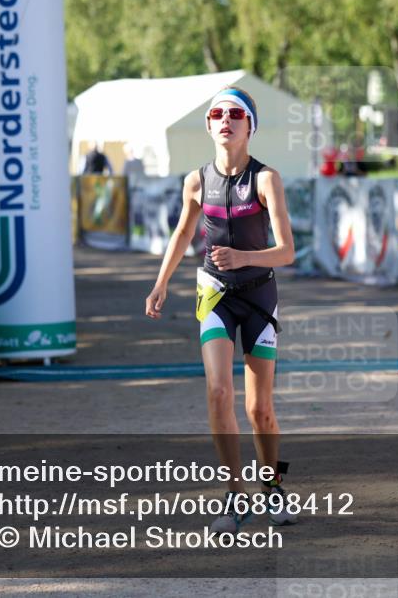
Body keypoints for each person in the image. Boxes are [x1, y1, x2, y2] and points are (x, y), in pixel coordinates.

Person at [145, 85, 297, 534]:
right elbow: (181, 234)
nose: (226, 120)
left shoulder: (266, 179)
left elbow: (287, 251)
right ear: (210, 125)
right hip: (213, 294)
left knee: (260, 409)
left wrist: (244, 257)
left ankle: (273, 488)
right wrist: (160, 284)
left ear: (250, 125)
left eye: (236, 113)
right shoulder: (196, 180)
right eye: (217, 113)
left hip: (258, 297)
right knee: (217, 394)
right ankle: (234, 497)